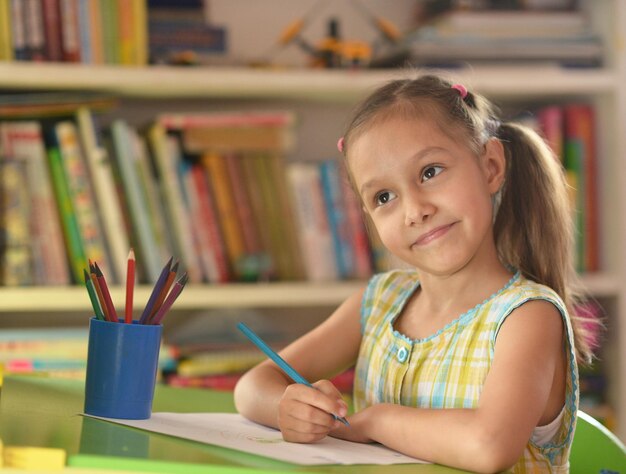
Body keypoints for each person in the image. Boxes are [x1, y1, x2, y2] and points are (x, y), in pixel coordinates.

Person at [234, 74, 596, 472]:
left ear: (491, 166)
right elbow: (252, 387)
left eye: (430, 172)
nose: (414, 210)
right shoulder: (377, 303)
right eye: (384, 197)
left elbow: (488, 446)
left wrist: (374, 420)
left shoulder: (527, 316)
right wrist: (289, 409)